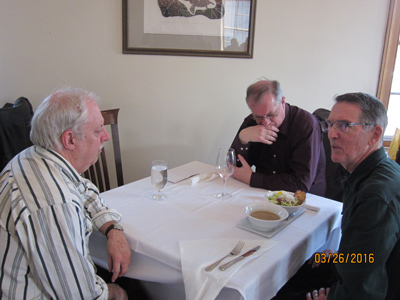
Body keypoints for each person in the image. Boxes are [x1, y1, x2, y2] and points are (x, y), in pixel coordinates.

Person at [0, 87, 131, 300]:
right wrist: (115, 293)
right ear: (70, 140)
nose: (106, 136)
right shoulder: (53, 204)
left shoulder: (34, 156)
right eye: (98, 131)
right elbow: (79, 295)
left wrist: (112, 228)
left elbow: (84, 188)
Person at [272, 93, 400, 300]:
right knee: (283, 270)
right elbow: (371, 255)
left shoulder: (375, 197)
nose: (331, 134)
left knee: (271, 292)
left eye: (344, 125)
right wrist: (344, 257)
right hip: (353, 273)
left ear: (375, 135)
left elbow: (366, 288)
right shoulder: (368, 173)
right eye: (330, 125)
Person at [231, 79, 326, 196]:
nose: (265, 123)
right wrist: (243, 138)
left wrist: (252, 178)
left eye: (271, 115)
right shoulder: (252, 121)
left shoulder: (306, 125)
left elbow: (300, 184)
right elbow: (233, 169)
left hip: (307, 200)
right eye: (259, 117)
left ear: (282, 102)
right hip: (263, 193)